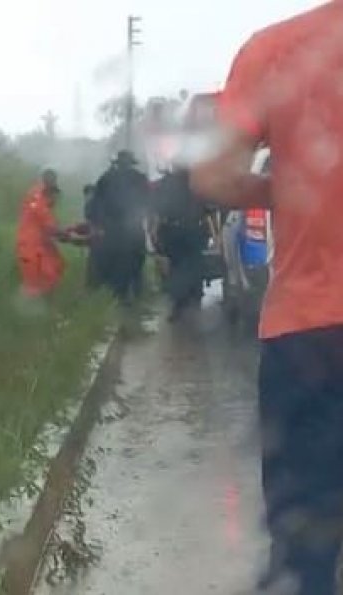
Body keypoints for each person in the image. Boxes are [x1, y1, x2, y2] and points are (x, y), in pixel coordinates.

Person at [191, 4, 343, 593]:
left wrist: (286, 187)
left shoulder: (278, 48)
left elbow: (212, 178)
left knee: (303, 546)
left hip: (310, 335)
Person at [90, 150, 150, 303]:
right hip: (133, 229)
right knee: (135, 262)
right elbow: (148, 203)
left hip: (112, 230)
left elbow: (95, 205)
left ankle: (118, 296)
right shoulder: (140, 178)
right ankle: (135, 294)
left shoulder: (106, 178)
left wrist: (98, 225)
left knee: (114, 262)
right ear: (131, 163)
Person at [154, 167, 208, 321]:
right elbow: (208, 207)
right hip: (193, 229)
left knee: (177, 266)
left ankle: (179, 303)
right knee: (194, 263)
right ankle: (194, 298)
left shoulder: (166, 183)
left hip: (173, 231)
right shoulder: (198, 181)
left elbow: (157, 209)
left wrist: (157, 232)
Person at [16, 169, 70, 297]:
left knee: (56, 268)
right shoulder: (38, 201)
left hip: (42, 244)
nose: (55, 202)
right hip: (31, 247)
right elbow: (52, 229)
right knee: (35, 282)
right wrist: (73, 237)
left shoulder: (40, 197)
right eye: (54, 197)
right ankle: (29, 309)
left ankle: (43, 306)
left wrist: (69, 230)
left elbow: (51, 227)